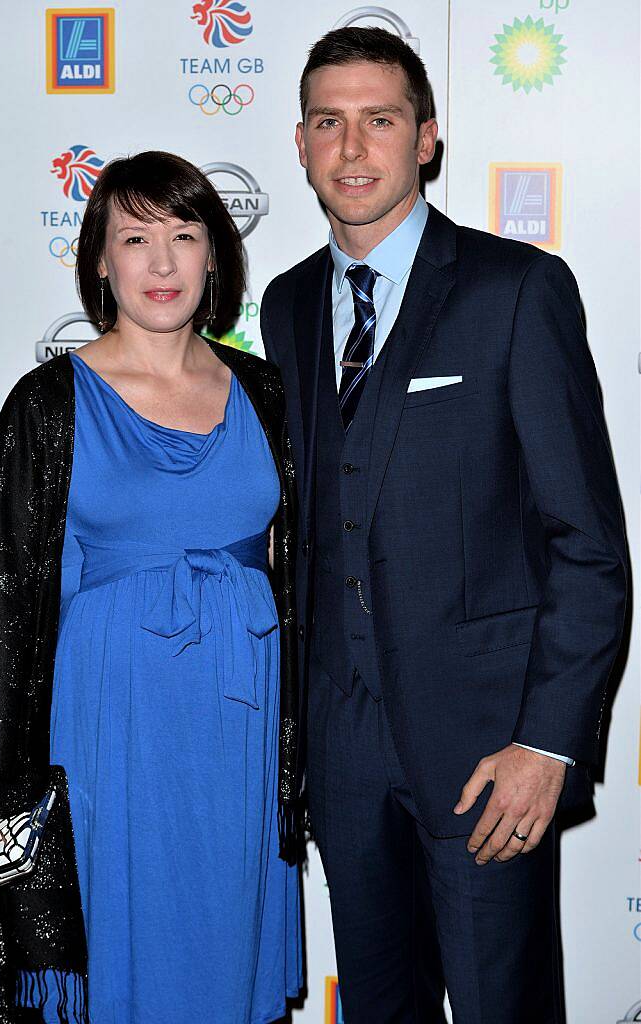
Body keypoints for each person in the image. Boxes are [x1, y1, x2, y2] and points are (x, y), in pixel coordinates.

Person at [260, 27, 627, 1024]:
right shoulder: (286, 306)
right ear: (299, 144)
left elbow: (588, 546)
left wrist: (548, 744)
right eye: (328, 122)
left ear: (426, 138)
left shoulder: (516, 290)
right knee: (380, 1007)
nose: (352, 148)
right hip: (338, 749)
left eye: (379, 120)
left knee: (505, 1008)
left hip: (488, 751)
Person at [0, 150, 302, 1024]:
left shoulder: (267, 392)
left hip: (240, 732)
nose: (164, 262)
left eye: (185, 234)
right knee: (118, 950)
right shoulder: (49, 401)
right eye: (136, 238)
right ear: (100, 260)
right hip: (109, 727)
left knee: (226, 939)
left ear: (217, 254)